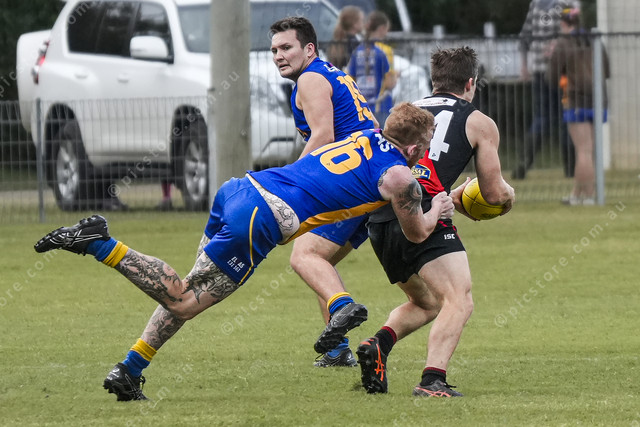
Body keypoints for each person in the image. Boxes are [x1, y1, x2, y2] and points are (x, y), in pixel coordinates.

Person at [34, 102, 454, 401]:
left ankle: (130, 368)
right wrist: (439, 206)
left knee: (187, 289)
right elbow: (417, 233)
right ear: (414, 148)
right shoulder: (401, 179)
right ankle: (100, 242)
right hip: (263, 218)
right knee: (183, 300)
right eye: (427, 142)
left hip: (241, 189)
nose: (427, 150)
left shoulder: (366, 136)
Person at [358, 47, 515, 397]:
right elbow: (492, 194)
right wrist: (509, 195)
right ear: (470, 83)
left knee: (428, 303)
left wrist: (450, 194)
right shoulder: (478, 121)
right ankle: (432, 381)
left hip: (380, 220)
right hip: (422, 211)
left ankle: (378, 345)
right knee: (459, 299)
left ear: (434, 81)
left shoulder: (406, 111)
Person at [269, 17, 378, 367]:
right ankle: (337, 351)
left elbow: (323, 137)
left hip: (350, 182)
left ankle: (344, 308)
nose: (279, 55)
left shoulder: (310, 78)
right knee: (320, 262)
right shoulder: (330, 73)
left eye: (286, 47)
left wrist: (290, 182)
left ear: (309, 49)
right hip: (370, 178)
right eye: (274, 50)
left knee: (304, 257)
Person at [548, 7, 609, 205]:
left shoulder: (563, 43)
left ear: (563, 23)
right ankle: (577, 194)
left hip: (576, 101)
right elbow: (607, 70)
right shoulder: (594, 39)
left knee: (583, 151)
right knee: (588, 151)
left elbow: (551, 77)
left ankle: (589, 196)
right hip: (599, 100)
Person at [512, 0, 579, 180]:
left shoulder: (536, 5)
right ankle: (570, 170)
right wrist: (556, 46)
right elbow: (572, 31)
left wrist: (524, 66)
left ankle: (524, 164)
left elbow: (525, 37)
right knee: (566, 118)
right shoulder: (567, 3)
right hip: (563, 71)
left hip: (540, 72)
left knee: (542, 117)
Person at [348, 11, 398, 125]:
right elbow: (390, 83)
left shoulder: (357, 51)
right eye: (387, 29)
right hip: (381, 106)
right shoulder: (385, 50)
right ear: (382, 28)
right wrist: (395, 75)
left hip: (361, 107)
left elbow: (350, 79)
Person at [326, 6, 365, 71]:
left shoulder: (335, 42)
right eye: (362, 20)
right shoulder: (356, 45)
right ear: (354, 24)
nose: (363, 23)